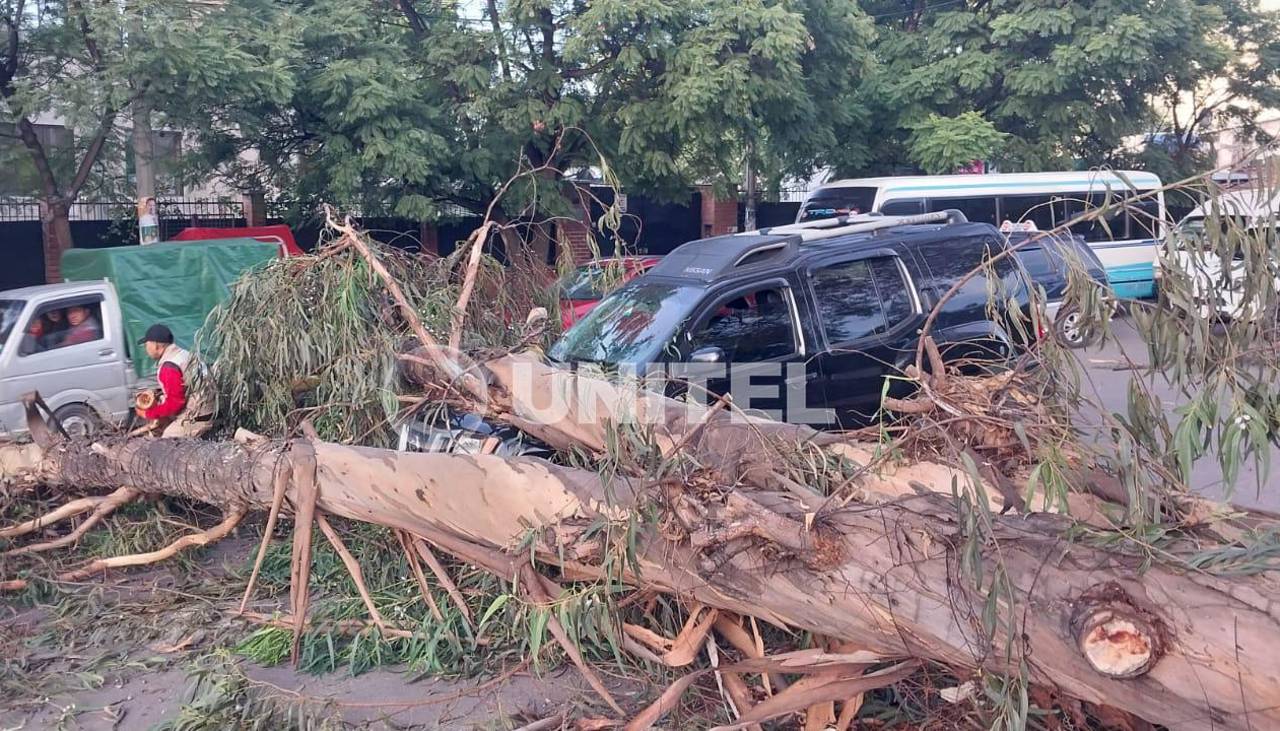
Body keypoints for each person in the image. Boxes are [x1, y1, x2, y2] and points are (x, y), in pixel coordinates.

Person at [136, 323, 211, 437]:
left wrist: (149, 413)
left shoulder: (169, 367)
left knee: (168, 440)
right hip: (211, 407)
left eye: (147, 345)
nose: (146, 349)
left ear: (156, 345)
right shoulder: (184, 354)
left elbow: (176, 403)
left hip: (200, 415)